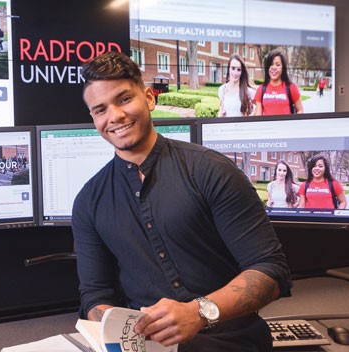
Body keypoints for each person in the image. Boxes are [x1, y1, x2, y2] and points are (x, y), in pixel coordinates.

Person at [72, 51, 291, 351]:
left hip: (231, 343)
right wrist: (115, 325)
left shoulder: (210, 171)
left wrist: (199, 312)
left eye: (124, 99)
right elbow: (95, 295)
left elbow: (269, 270)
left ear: (149, 98)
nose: (115, 116)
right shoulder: (88, 202)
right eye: (100, 109)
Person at [254, 49, 304, 115]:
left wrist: (293, 124)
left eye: (278, 65)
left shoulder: (291, 87)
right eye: (271, 64)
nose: (274, 67)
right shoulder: (261, 89)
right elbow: (258, 116)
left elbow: (300, 110)